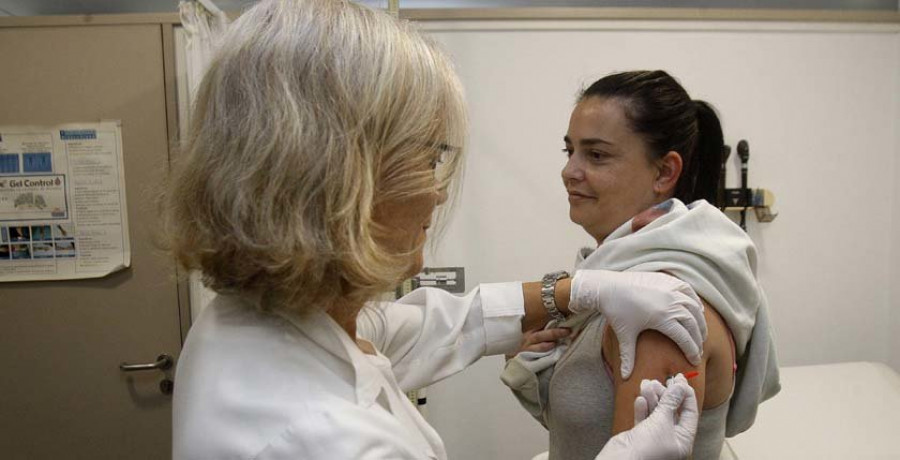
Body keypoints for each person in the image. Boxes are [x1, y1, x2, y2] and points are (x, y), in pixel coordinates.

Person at [164, 2, 708, 458]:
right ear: (341, 180)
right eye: (426, 159)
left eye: (597, 154)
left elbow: (423, 325)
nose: (439, 191)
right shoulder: (327, 438)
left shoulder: (246, 325)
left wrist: (574, 290)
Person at [502, 71, 781, 459]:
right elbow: (593, 431)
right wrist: (542, 370)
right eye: (571, 151)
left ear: (665, 172)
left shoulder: (660, 311)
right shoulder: (618, 282)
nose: (570, 171)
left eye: (596, 155)